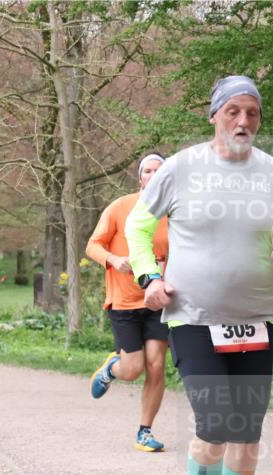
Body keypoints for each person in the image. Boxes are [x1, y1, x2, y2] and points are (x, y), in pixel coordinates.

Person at [125, 75, 273, 475]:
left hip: (255, 321)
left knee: (247, 439)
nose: (243, 121)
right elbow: (138, 227)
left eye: (252, 113)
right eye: (233, 111)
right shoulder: (183, 167)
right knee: (213, 428)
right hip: (193, 318)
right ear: (214, 115)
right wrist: (149, 277)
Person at [86, 154, 170, 453]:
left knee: (157, 365)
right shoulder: (121, 207)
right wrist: (114, 259)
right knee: (133, 369)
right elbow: (92, 245)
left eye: (159, 171)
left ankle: (144, 431)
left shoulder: (175, 212)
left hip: (159, 300)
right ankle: (112, 368)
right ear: (140, 178)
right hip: (124, 300)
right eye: (147, 171)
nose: (153, 175)